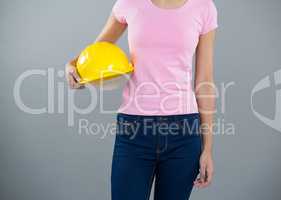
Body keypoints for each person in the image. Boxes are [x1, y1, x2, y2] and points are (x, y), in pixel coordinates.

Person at [65, 0, 218, 199]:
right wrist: (71, 65)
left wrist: (207, 149)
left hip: (184, 131)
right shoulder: (129, 2)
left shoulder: (203, 6)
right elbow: (96, 52)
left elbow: (204, 80)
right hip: (134, 129)